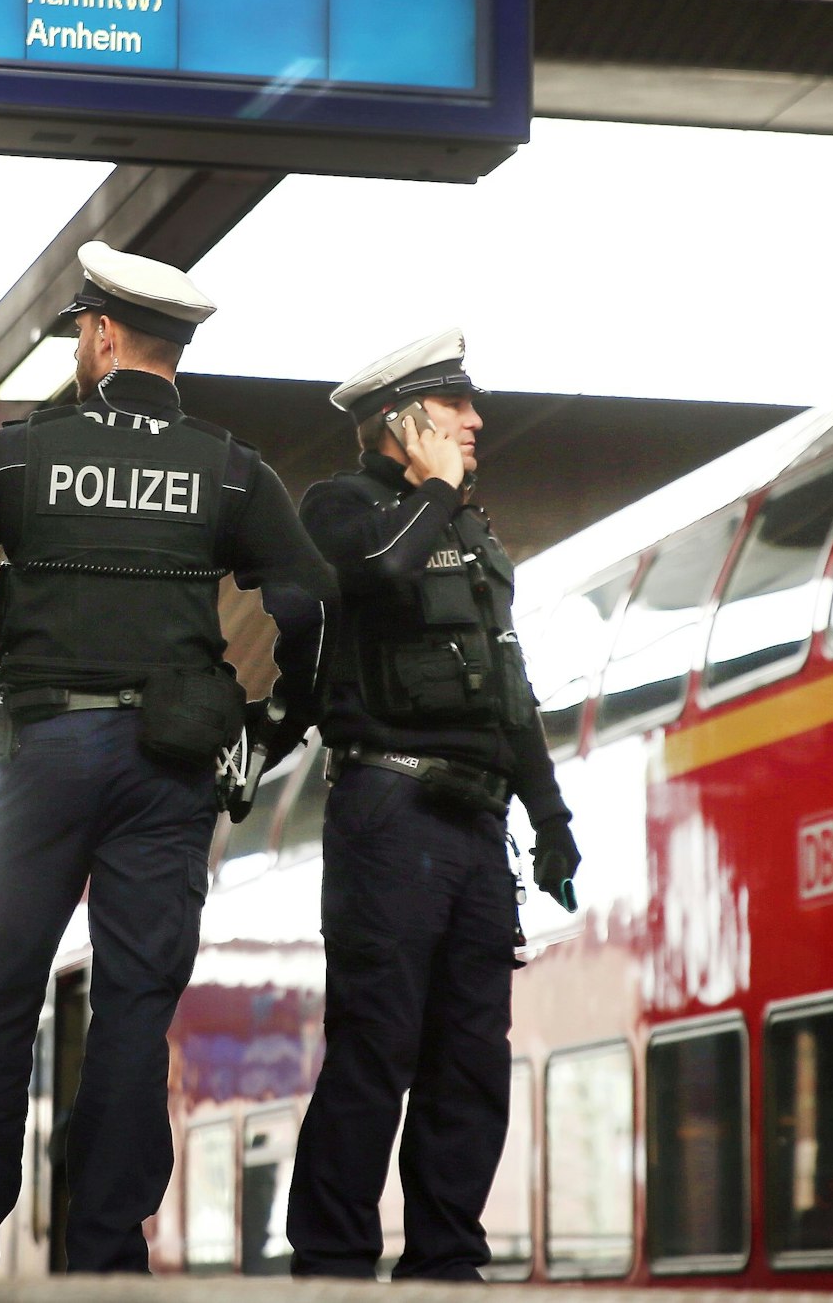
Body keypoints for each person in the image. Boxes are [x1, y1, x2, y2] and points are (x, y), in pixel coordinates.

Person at [0, 241, 336, 1274]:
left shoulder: (20, 456)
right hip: (167, 767)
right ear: (176, 351)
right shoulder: (225, 468)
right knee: (133, 1002)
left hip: (38, 753)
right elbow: (307, 601)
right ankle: (104, 1253)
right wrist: (272, 723)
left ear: (98, 335)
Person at [286, 327, 581, 1282]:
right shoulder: (341, 507)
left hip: (476, 821)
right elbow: (373, 575)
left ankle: (446, 1263)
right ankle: (333, 1264)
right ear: (402, 421)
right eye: (455, 407)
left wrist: (550, 816)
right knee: (377, 1046)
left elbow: (508, 682)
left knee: (471, 1055)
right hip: (390, 805)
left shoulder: (468, 528)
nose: (476, 420)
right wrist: (437, 490)